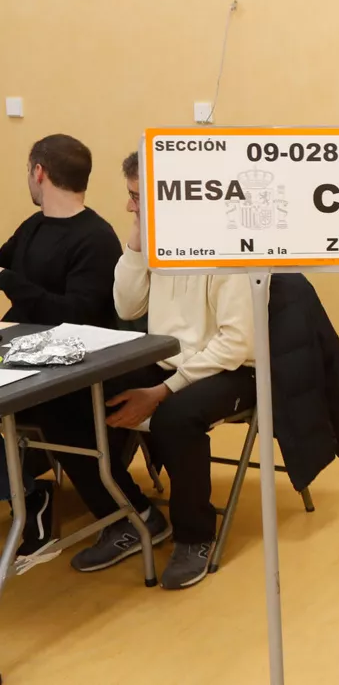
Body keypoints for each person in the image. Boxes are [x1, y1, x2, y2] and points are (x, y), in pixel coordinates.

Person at [53, 151, 257, 590]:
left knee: (174, 419)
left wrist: (165, 389)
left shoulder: (229, 247)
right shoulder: (162, 241)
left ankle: (195, 535)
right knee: (66, 398)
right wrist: (137, 239)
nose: (129, 206)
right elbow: (128, 306)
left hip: (231, 369)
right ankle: (128, 516)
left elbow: (236, 344)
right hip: (167, 360)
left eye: (136, 198)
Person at [0, 135, 121, 556]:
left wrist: (13, 283)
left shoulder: (97, 238)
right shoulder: (33, 227)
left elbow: (77, 316)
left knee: (45, 412)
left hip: (67, 369)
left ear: (39, 172)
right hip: (18, 355)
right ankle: (30, 492)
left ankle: (33, 496)